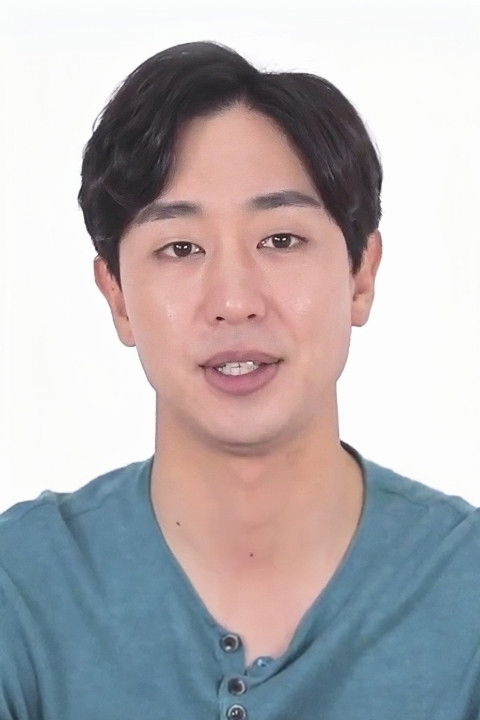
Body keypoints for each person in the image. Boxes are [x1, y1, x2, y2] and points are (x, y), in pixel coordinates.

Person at [1, 40, 479, 720]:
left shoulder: (464, 588)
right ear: (118, 296)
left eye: (280, 240)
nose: (233, 300)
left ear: (360, 275)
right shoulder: (22, 588)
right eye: (180, 248)